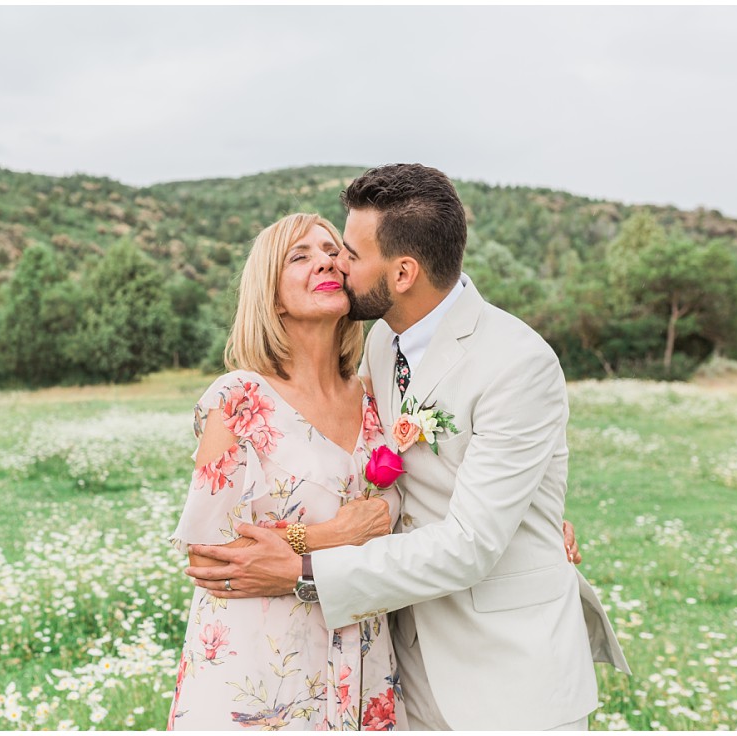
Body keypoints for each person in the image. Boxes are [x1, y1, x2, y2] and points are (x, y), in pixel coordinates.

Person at [187, 164, 630, 731]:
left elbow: (472, 542)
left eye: (348, 251)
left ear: (402, 273)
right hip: (392, 665)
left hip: (504, 676)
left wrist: (308, 564)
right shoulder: (379, 347)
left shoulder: (517, 362)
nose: (336, 264)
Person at [166, 213, 408, 731]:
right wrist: (332, 535)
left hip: (362, 657)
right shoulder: (237, 399)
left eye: (332, 251)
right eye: (300, 256)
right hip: (261, 668)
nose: (325, 260)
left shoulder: (374, 398)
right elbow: (208, 557)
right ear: (272, 297)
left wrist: (540, 526)